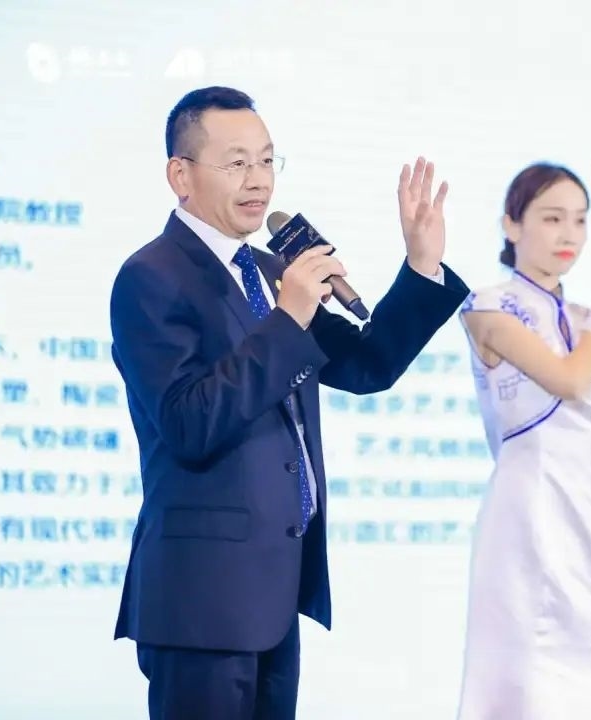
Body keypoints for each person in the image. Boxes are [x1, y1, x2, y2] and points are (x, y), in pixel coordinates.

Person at [108, 86, 469, 719]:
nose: (259, 180)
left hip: (275, 593)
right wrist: (289, 316)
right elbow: (189, 423)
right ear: (181, 176)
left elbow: (367, 365)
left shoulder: (271, 270)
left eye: (267, 160)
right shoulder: (151, 277)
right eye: (236, 163)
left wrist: (420, 265)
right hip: (201, 599)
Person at [453, 162, 591, 719]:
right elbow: (569, 380)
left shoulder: (585, 319)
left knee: (580, 683)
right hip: (528, 511)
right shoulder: (488, 306)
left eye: (580, 220)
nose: (569, 234)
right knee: (527, 680)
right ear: (511, 225)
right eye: (553, 218)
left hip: (587, 515)